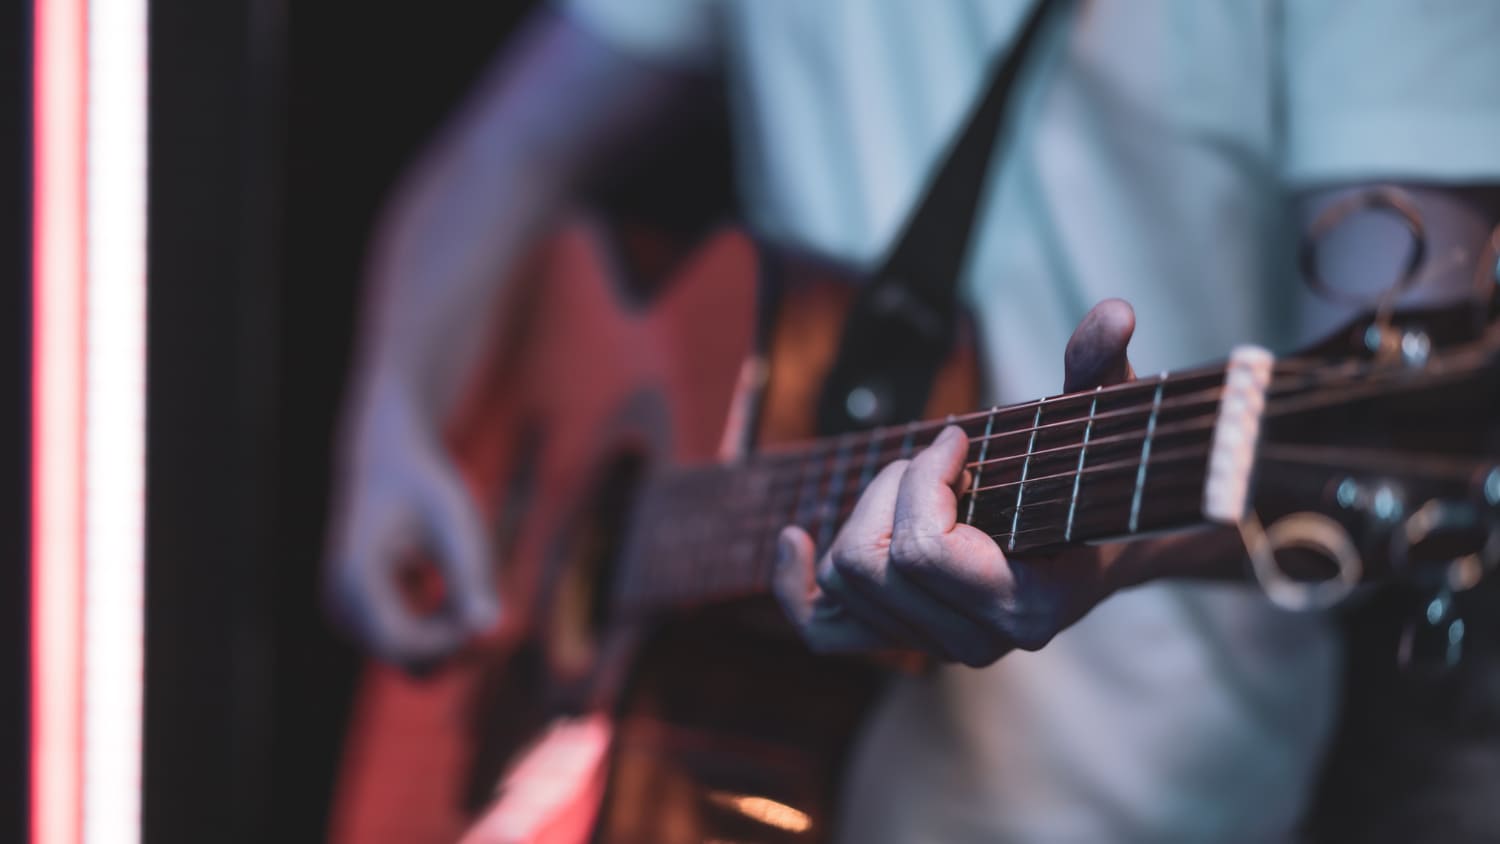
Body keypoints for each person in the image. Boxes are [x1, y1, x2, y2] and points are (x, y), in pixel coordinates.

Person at [324, 1, 1500, 840]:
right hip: (733, 759)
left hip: (1115, 793)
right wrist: (388, 419)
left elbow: (1402, 382)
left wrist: (1113, 549)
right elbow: (507, 149)